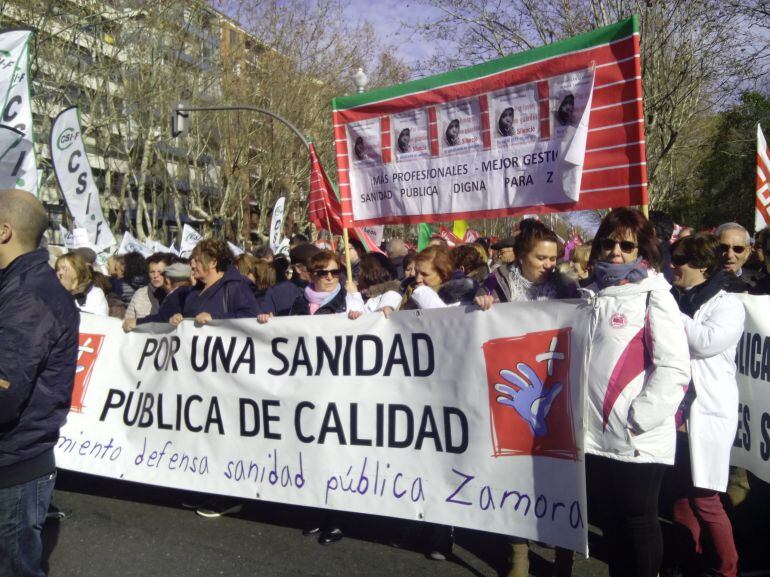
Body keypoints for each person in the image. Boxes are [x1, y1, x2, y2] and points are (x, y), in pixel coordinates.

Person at [582, 207, 690, 577]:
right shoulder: (591, 293)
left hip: (637, 435)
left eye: (627, 245)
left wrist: (639, 418)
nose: (616, 252)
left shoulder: (654, 294)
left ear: (641, 250)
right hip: (595, 434)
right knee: (611, 519)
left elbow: (674, 366)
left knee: (639, 521)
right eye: (609, 243)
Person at [0, 189, 79, 577]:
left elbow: (4, 395)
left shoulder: (29, 297)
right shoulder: (17, 286)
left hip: (13, 470)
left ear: (4, 231)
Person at [259, 249, 362, 544]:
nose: (330, 278)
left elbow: (369, 330)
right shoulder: (298, 302)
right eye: (323, 273)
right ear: (311, 275)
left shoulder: (347, 300)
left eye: (334, 272)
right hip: (306, 389)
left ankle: (337, 519)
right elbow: (285, 335)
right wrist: (268, 321)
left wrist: (357, 314)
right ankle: (316, 511)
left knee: (334, 453)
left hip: (338, 390)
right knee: (311, 451)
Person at [666, 233, 742, 577]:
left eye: (681, 260)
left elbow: (705, 342)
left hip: (707, 412)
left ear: (703, 266)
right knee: (681, 496)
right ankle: (689, 561)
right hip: (675, 415)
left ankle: (727, 568)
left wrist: (669, 313)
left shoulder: (727, 304)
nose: (673, 266)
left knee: (705, 498)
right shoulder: (676, 298)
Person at [482, 219, 575, 304]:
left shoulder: (566, 287)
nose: (548, 265)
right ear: (522, 257)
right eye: (541, 258)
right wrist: (482, 300)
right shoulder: (495, 283)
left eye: (552, 259)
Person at [169, 238, 258, 327]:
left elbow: (251, 317)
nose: (192, 265)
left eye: (197, 261)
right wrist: (179, 319)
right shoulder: (193, 291)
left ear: (213, 262)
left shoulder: (235, 286)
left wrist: (215, 318)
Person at [123, 261, 193, 331]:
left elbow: (163, 318)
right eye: (152, 272)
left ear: (167, 280)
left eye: (160, 273)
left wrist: (138, 322)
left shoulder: (175, 297)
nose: (156, 275)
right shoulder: (194, 294)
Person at [125, 252, 172, 320]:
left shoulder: (172, 294)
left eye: (160, 272)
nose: (155, 276)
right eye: (152, 272)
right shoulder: (140, 294)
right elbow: (128, 319)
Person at [716, 222, 753, 292]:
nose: (729, 255)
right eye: (723, 248)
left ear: (748, 252)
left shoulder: (761, 283)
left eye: (738, 249)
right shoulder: (697, 281)